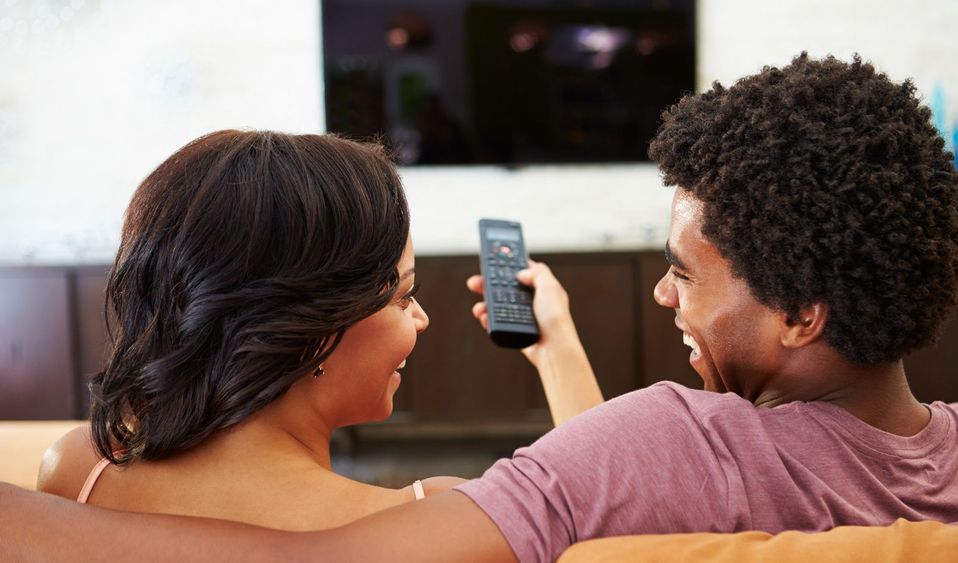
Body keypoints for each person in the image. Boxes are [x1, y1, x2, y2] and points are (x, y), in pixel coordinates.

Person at [3, 53, 958, 562]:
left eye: (684, 270)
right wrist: (556, 345)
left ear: (799, 314)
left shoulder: (671, 441)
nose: (661, 291)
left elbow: (625, 469)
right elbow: (628, 483)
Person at [32, 130, 601, 531]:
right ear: (311, 328)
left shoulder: (84, 468)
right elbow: (608, 524)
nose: (422, 318)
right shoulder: (442, 521)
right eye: (405, 296)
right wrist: (557, 349)